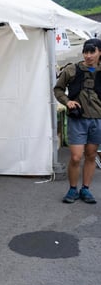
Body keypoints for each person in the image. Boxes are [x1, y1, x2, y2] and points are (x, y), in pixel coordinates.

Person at [53, 38, 101, 204]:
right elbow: (58, 89)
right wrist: (67, 102)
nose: (88, 56)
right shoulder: (72, 70)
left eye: (92, 52)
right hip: (77, 119)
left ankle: (85, 189)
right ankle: (73, 188)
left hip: (97, 119)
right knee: (75, 157)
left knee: (91, 155)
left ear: (99, 52)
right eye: (85, 52)